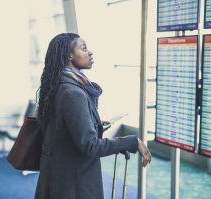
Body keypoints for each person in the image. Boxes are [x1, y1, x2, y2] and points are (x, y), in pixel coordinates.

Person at [34, 33, 152, 199]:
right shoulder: (73, 92)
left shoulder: (58, 84)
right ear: (69, 55)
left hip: (59, 175)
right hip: (73, 183)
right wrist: (132, 141)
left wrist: (93, 124)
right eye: (83, 48)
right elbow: (90, 146)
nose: (90, 53)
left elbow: (62, 129)